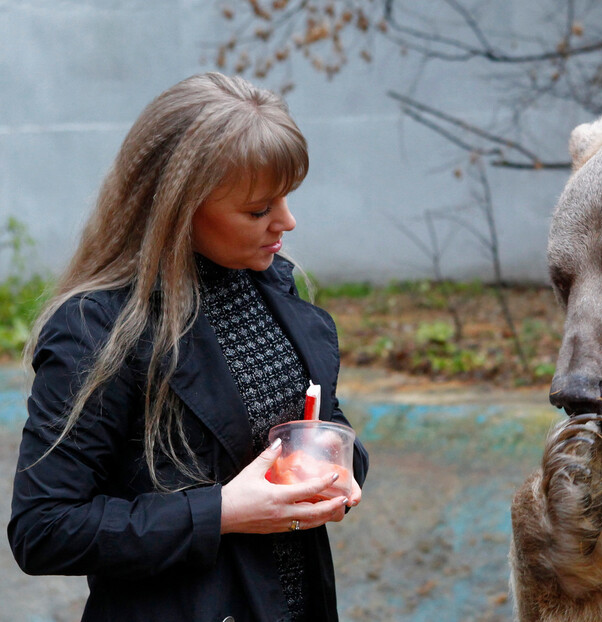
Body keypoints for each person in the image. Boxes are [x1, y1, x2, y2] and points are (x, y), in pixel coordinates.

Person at [7, 72, 369, 621]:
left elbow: (321, 418)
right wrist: (221, 511)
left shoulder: (274, 287)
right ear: (178, 209)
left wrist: (338, 465)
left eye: (286, 199)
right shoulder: (96, 328)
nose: (286, 223)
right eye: (258, 210)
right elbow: (45, 528)